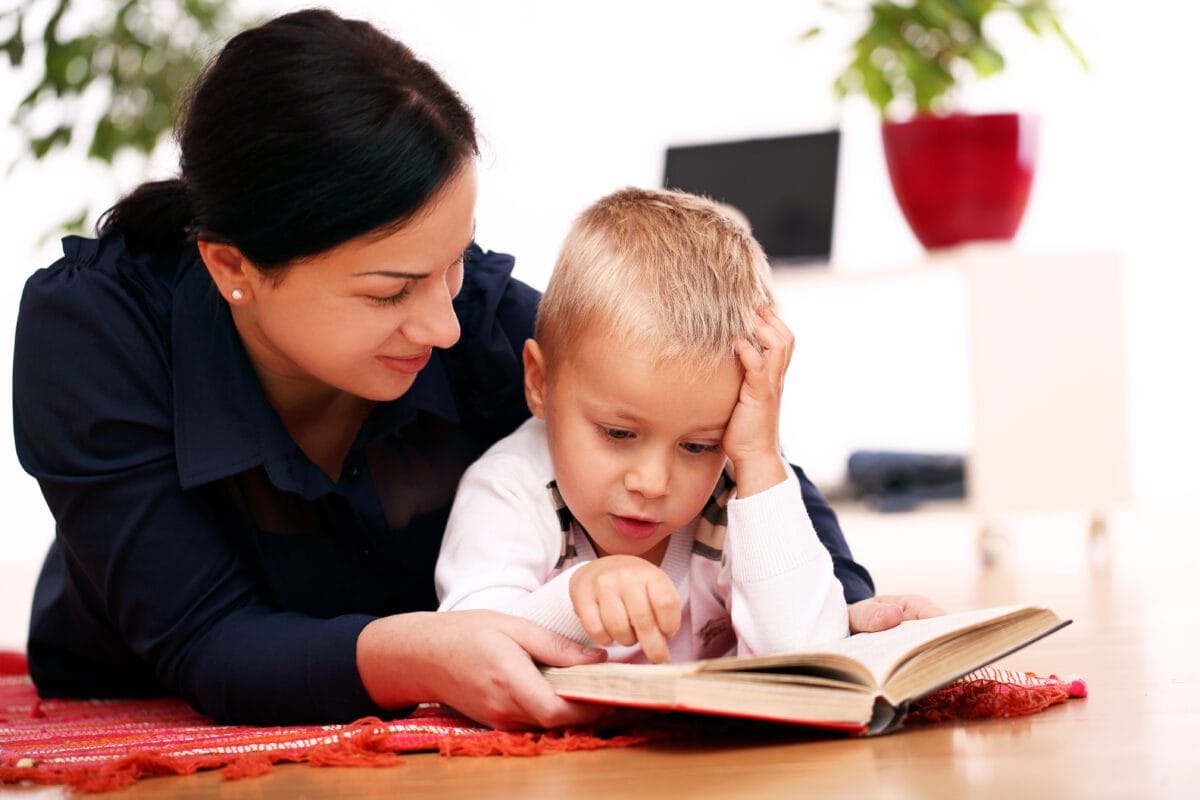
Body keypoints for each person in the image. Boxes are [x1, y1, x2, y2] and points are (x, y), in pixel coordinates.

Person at [11, 8, 938, 729]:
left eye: (454, 263)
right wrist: (424, 653)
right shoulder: (93, 336)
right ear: (232, 269)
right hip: (140, 691)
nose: (444, 325)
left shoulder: (486, 322)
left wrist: (833, 614)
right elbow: (206, 642)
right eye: (390, 290)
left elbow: (705, 430)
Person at [436, 188, 849, 663]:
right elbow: (469, 647)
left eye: (697, 446)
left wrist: (759, 459)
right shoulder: (510, 489)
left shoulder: (738, 491)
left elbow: (814, 659)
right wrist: (577, 596)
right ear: (539, 382)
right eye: (617, 433)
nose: (652, 483)